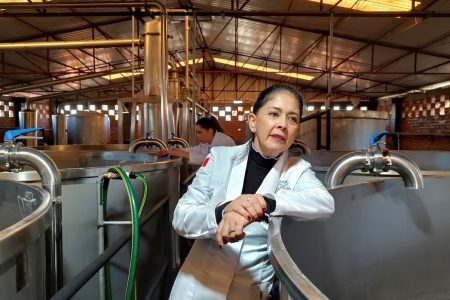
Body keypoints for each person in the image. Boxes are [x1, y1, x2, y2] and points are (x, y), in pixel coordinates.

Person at [169, 83, 334, 300]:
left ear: (296, 132)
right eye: (274, 114)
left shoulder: (297, 170)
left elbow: (325, 203)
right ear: (253, 122)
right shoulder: (220, 157)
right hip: (197, 286)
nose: (283, 124)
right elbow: (181, 216)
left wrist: (266, 201)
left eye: (292, 119)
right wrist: (222, 212)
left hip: (249, 289)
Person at [157, 116, 235, 164]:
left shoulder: (224, 142)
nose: (197, 136)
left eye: (200, 132)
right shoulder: (207, 142)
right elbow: (195, 150)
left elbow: (210, 160)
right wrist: (172, 151)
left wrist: (184, 154)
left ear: (210, 130)